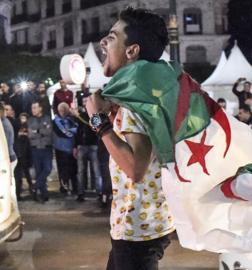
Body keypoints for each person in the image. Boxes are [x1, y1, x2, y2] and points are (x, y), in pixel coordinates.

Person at [85, 8, 174, 270]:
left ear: (131, 51)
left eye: (112, 37)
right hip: (142, 227)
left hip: (138, 231)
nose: (103, 42)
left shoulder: (136, 100)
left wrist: (98, 122)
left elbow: (135, 167)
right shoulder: (145, 91)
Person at [74, 94, 103, 202]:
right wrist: (75, 146)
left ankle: (99, 192)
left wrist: (79, 116)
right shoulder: (80, 115)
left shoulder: (95, 116)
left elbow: (93, 127)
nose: (86, 103)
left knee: (96, 171)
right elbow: (77, 132)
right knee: (81, 171)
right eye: (84, 101)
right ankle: (81, 193)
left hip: (93, 146)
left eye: (88, 100)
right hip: (82, 146)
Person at [28, 101, 53, 202]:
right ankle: (44, 194)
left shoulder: (47, 118)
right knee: (39, 172)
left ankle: (34, 186)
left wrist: (37, 131)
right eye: (32, 108)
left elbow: (49, 131)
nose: (33, 110)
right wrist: (41, 131)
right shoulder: (30, 120)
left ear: (40, 108)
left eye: (35, 107)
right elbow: (30, 135)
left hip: (46, 148)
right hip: (35, 149)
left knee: (47, 169)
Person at [53, 102, 78, 194]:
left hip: (72, 149)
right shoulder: (55, 121)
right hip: (61, 149)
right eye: (61, 110)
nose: (63, 112)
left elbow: (78, 129)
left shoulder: (71, 119)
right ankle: (64, 187)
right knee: (63, 171)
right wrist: (72, 131)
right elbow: (62, 133)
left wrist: (70, 131)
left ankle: (75, 187)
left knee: (73, 170)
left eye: (65, 110)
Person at [14, 113, 33, 200]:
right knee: (19, 175)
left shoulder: (29, 126)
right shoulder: (17, 126)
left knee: (26, 173)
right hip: (19, 153)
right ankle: (18, 193)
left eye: (24, 118)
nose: (23, 120)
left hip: (26, 153)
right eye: (21, 118)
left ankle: (31, 188)